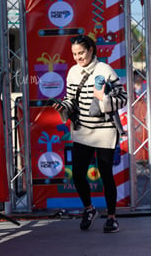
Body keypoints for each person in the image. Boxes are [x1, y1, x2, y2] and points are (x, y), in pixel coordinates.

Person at [52, 34, 127, 233]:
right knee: (77, 174)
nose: (78, 57)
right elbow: (70, 99)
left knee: (105, 174)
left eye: (81, 53)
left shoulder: (105, 70)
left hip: (105, 130)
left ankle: (111, 217)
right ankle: (89, 208)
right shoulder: (73, 72)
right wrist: (62, 106)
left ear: (91, 50)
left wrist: (104, 100)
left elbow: (123, 98)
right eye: (75, 54)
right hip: (82, 130)